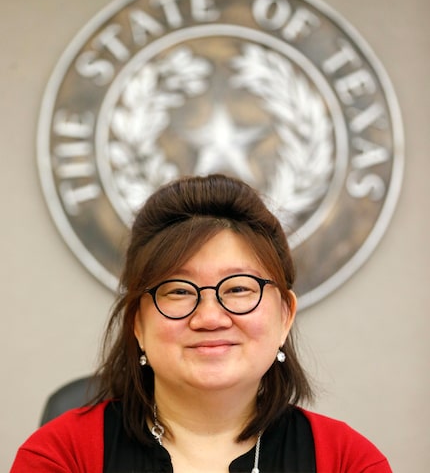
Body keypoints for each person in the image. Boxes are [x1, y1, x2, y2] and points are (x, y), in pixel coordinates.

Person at [11, 173, 392, 472]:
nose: (210, 317)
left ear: (284, 316)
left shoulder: (347, 461)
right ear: (137, 324)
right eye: (178, 291)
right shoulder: (61, 457)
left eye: (240, 289)